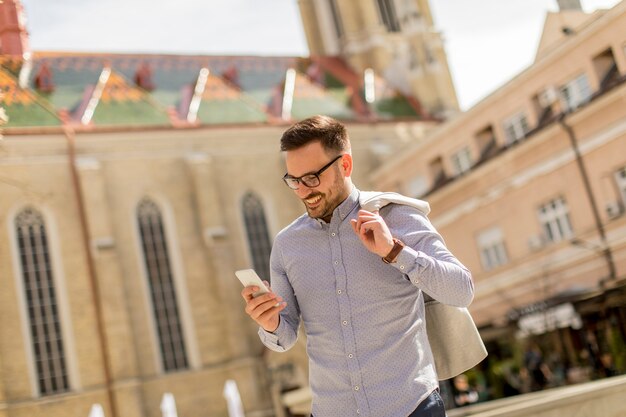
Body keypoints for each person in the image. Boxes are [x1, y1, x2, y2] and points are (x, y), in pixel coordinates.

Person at [241, 115, 474, 417]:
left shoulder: (397, 217)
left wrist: (394, 251)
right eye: (294, 181)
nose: (303, 191)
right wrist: (269, 322)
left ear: (345, 165)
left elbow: (462, 290)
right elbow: (283, 339)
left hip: (411, 407)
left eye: (312, 178)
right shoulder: (287, 246)